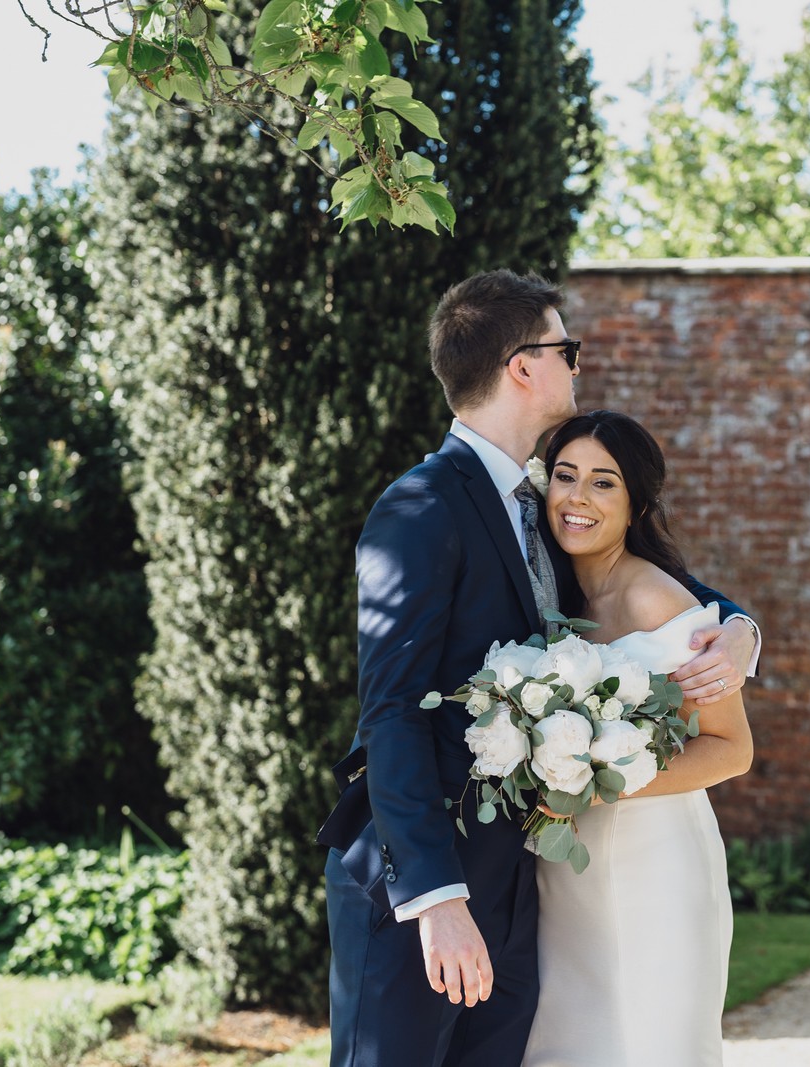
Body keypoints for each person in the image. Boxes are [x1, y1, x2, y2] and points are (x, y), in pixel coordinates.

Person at [321, 271, 759, 1067]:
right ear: (525, 366)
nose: (577, 366)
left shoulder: (540, 508)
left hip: (526, 887)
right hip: (425, 890)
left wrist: (740, 629)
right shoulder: (420, 507)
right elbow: (390, 713)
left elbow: (653, 584)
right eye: (569, 350)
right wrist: (436, 898)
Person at [521, 411, 753, 1067]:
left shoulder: (661, 603)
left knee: (656, 1043)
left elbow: (732, 747)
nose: (577, 499)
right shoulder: (555, 594)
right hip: (568, 872)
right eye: (566, 477)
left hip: (659, 868)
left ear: (636, 504)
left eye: (603, 484)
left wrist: (596, 782)